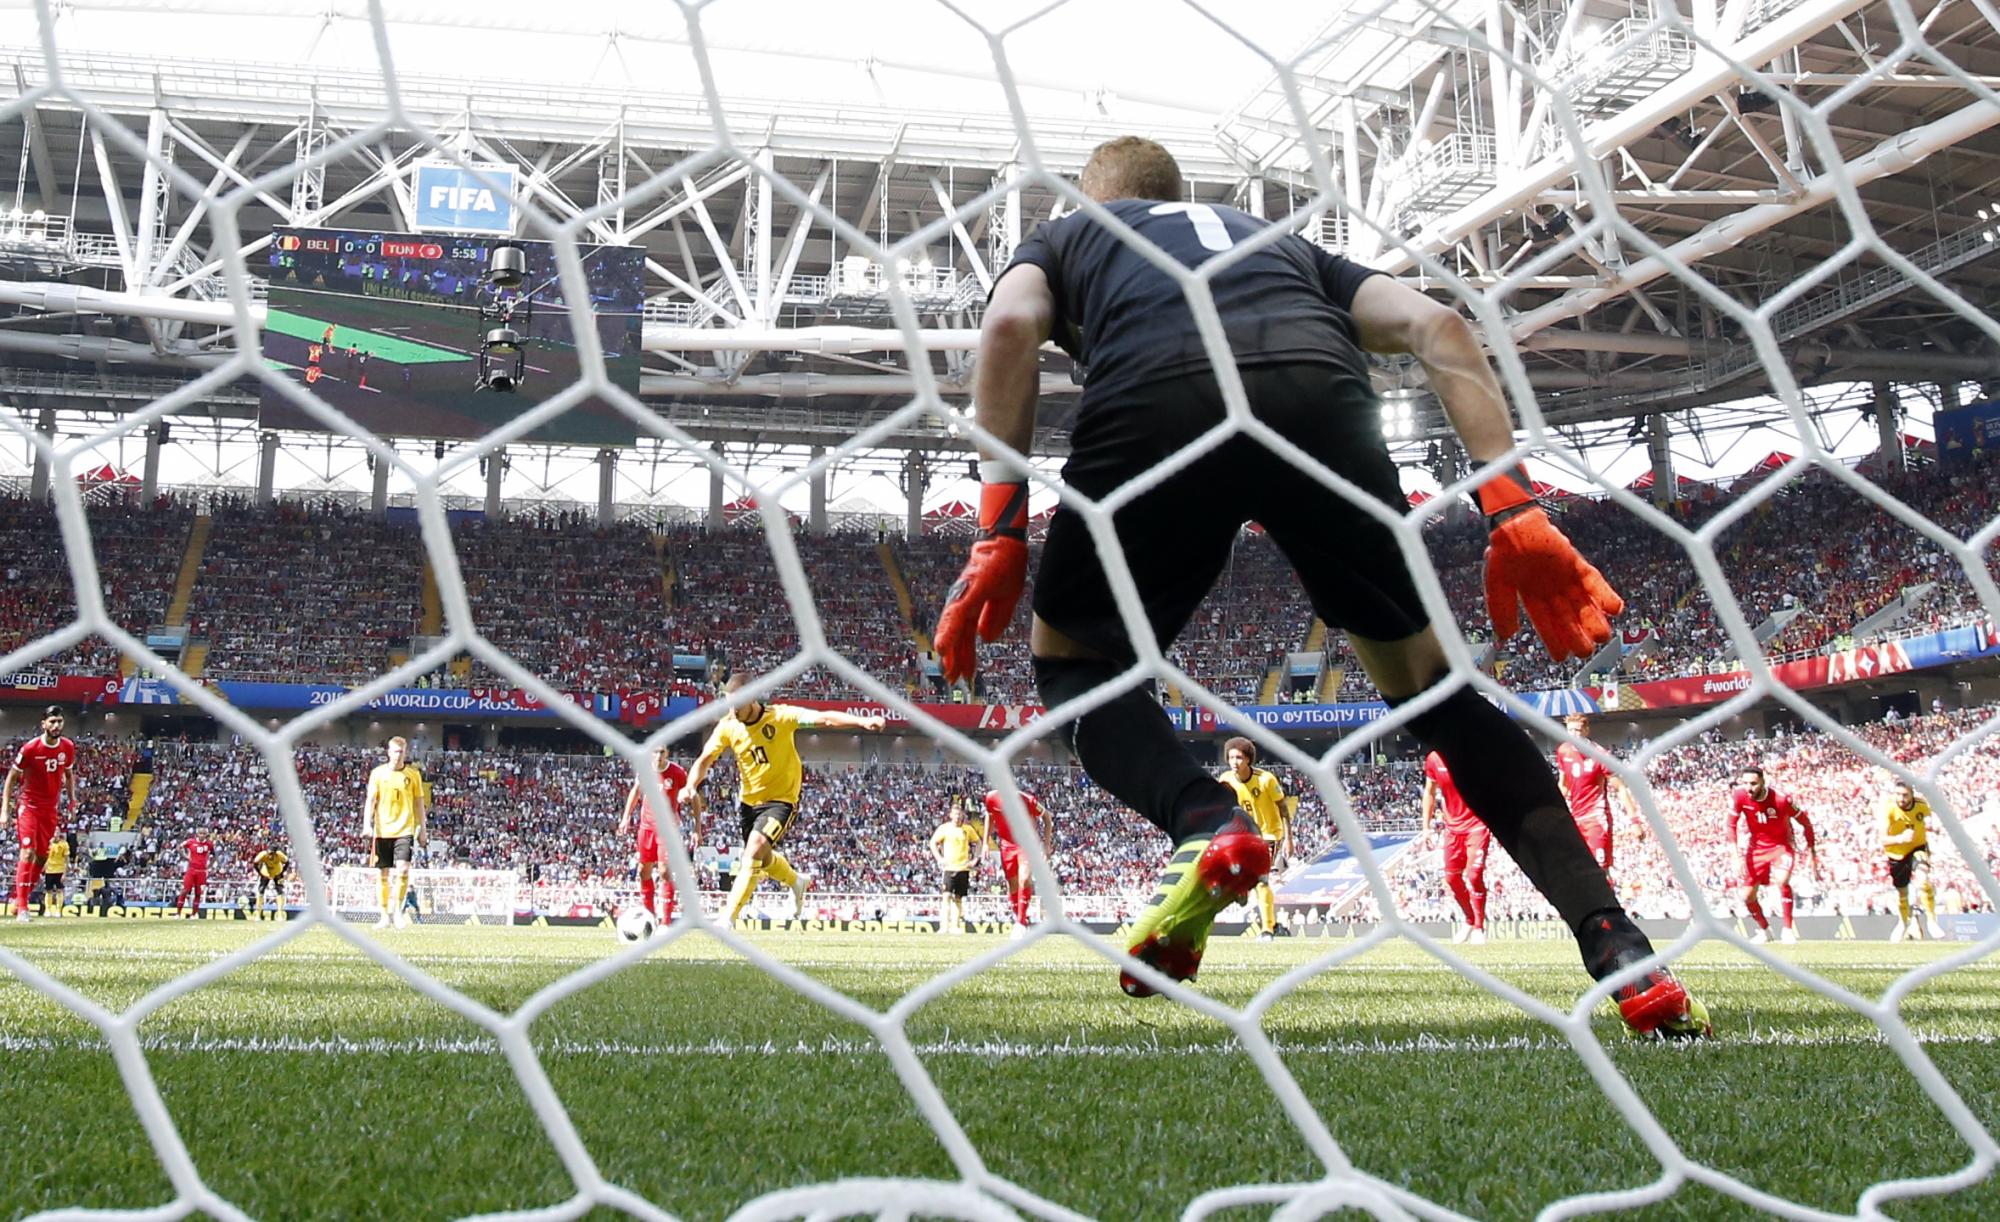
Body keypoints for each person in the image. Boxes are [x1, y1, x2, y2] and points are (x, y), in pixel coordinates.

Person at [932, 135, 1708, 1038]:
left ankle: (1206, 819)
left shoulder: (1073, 237)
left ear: (1097, 202)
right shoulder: (1279, 244)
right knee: (1438, 695)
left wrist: (999, 531)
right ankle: (1619, 947)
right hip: (1318, 403)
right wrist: (1513, 509)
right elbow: (1438, 327)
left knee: (1077, 667)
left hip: (1156, 402)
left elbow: (1008, 328)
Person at [679, 674, 885, 924]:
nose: (733, 710)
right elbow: (704, 760)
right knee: (763, 860)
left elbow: (824, 718)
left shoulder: (781, 716)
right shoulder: (728, 726)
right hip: (749, 804)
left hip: (781, 801)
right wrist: (690, 785)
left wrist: (862, 721)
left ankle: (727, 919)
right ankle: (796, 882)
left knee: (753, 850)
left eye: (737, 704)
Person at [1728, 765, 1819, 944]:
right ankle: (1765, 931)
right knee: (1746, 895)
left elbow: (1806, 822)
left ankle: (1788, 930)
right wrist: (1734, 855)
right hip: (1757, 849)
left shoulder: (1782, 800)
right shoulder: (1739, 796)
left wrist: (1812, 851)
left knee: (1782, 880)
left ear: (1763, 782)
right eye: (1745, 783)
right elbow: (1730, 825)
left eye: (1753, 783)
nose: (1749, 788)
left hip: (1781, 846)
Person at [5, 706, 78, 921]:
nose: (56, 725)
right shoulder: (31, 748)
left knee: (41, 856)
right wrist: (4, 810)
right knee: (27, 851)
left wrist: (72, 801)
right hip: (29, 806)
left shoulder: (67, 747)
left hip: (50, 809)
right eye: (52, 721)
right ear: (43, 724)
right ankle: (23, 908)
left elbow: (68, 775)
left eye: (59, 721)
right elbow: (11, 778)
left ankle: (19, 900)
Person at [1217, 737, 1293, 941]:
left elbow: (1283, 808)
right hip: (1244, 836)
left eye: (1239, 758)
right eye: (1231, 758)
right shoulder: (1225, 780)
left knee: (1261, 880)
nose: (1234, 762)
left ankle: (1267, 930)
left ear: (1249, 759)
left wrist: (1289, 838)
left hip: (1269, 835)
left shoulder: (1266, 779)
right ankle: (1273, 923)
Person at [619, 746, 695, 922]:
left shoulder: (677, 772)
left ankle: (666, 921)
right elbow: (636, 791)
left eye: (662, 752)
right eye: (655, 752)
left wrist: (695, 824)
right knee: (643, 872)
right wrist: (626, 817)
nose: (659, 755)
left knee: (664, 871)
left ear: (667, 753)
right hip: (646, 827)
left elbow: (692, 795)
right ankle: (650, 917)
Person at [1554, 715, 1634, 881]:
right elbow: (1564, 785)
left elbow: (1620, 787)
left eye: (1577, 730)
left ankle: (1609, 898)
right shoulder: (1563, 751)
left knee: (1599, 871)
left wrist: (1634, 821)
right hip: (1576, 819)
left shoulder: (1600, 755)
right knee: (1579, 872)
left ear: (1586, 731)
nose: (1573, 734)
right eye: (1570, 730)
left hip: (1596, 818)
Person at [1421, 750, 1489, 945]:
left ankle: (1479, 927)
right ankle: (1469, 919)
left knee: (1474, 876)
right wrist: (1426, 828)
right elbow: (1429, 792)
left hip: (1477, 825)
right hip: (1452, 828)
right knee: (1451, 879)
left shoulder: (1473, 754)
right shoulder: (1434, 759)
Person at [362, 736, 428, 930]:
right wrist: (367, 825)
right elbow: (371, 800)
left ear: (405, 752)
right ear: (389, 752)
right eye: (395, 751)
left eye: (401, 752)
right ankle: (384, 915)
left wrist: (423, 830)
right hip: (383, 830)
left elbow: (419, 804)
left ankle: (398, 912)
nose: (398, 755)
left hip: (405, 829)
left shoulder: (413, 775)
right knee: (383, 873)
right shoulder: (378, 774)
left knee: (403, 869)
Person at [982, 787, 1052, 937]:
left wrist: (1046, 845)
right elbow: (989, 816)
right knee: (1013, 884)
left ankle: (1020, 922)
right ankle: (1021, 920)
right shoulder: (991, 798)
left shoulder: (1027, 800)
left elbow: (1047, 817)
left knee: (1024, 879)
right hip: (1006, 847)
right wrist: (985, 842)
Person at [1881, 780, 1945, 942]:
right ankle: (1903, 923)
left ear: (1912, 795)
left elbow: (1930, 818)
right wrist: (1900, 839)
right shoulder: (1889, 809)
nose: (1901, 798)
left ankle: (1932, 921)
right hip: (1896, 854)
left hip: (1918, 848)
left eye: (1905, 795)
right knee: (1902, 892)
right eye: (1898, 794)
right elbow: (1882, 839)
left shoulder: (1921, 805)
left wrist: (1934, 825)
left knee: (1923, 880)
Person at [929, 797, 981, 934]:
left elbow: (978, 843)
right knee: (946, 896)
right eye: (955, 814)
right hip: (949, 868)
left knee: (958, 898)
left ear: (962, 815)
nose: (958, 816)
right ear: (950, 815)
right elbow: (932, 843)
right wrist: (939, 858)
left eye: (959, 814)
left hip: (963, 868)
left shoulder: (967, 829)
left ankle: (955, 926)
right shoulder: (944, 828)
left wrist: (975, 859)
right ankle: (944, 926)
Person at [172, 828, 215, 919]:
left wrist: (210, 866)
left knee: (198, 893)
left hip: (202, 871)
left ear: (206, 835)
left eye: (204, 833)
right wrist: (185, 856)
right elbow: (179, 847)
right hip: (191, 870)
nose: (202, 835)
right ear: (197, 834)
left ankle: (194, 914)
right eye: (200, 833)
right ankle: (178, 913)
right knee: (185, 891)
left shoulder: (209, 844)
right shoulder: (191, 842)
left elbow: (214, 855)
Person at [252, 847, 289, 922]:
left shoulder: (279, 854)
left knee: (280, 891)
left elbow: (287, 862)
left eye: (272, 854)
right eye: (269, 854)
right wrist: (260, 873)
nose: (270, 856)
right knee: (261, 890)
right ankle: (258, 915)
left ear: (275, 853)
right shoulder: (263, 854)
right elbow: (255, 863)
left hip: (278, 872)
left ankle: (280, 915)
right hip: (266, 872)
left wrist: (282, 872)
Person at [40, 834, 70, 917]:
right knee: (48, 890)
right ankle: (47, 910)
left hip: (59, 869)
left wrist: (64, 873)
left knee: (59, 890)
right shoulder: (48, 844)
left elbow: (66, 860)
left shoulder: (64, 844)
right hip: (49, 870)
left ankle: (58, 910)